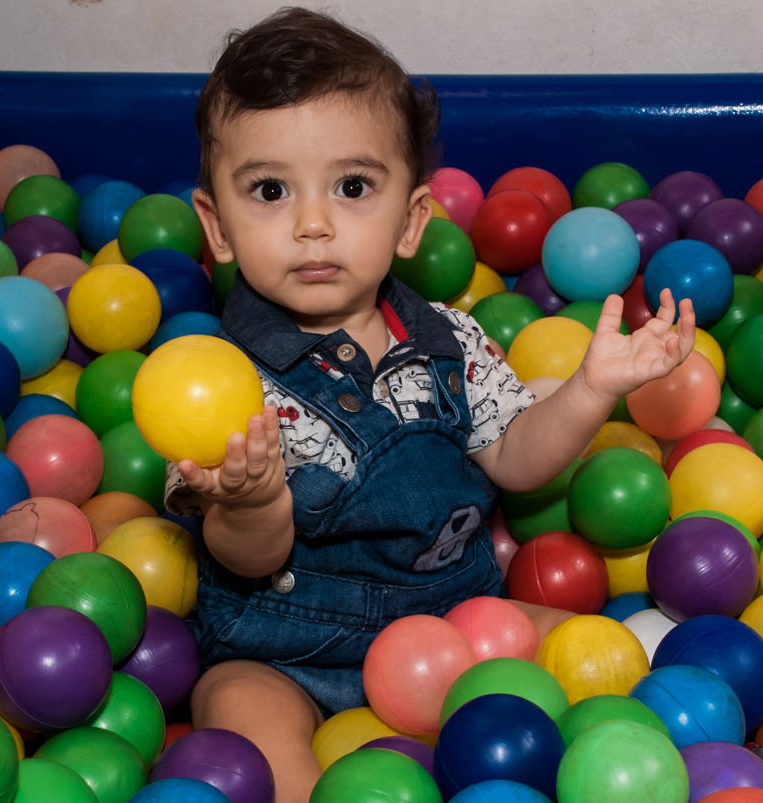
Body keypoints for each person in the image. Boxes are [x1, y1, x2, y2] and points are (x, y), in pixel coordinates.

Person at [165, 7, 696, 799]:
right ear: (218, 226)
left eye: (351, 187)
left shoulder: (450, 338)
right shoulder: (214, 381)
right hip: (291, 649)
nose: (313, 224)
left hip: (456, 621)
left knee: (595, 655)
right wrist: (249, 501)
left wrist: (591, 390)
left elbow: (517, 457)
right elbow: (252, 559)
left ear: (411, 220)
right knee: (240, 714)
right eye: (270, 190)